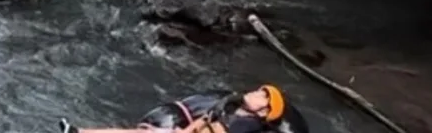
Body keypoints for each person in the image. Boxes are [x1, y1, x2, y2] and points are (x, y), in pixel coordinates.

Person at [58, 85, 287, 133]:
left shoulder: (243, 125)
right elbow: (204, 120)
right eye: (260, 90)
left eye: (263, 97)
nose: (256, 93)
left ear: (263, 112)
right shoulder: (231, 107)